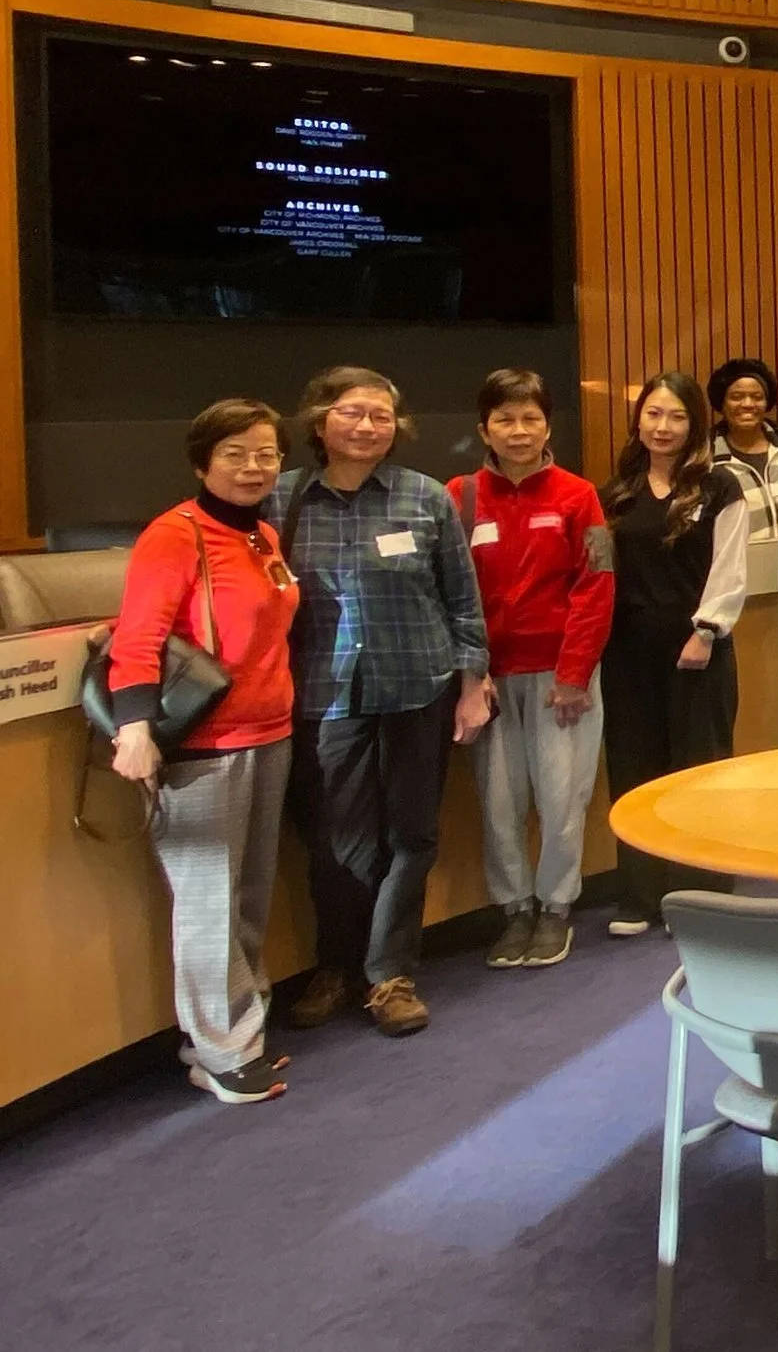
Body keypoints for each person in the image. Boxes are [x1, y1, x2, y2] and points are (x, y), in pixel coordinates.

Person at [270, 367, 491, 1040]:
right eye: (352, 412)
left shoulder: (426, 498)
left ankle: (389, 972)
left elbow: (462, 597)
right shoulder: (282, 501)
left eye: (381, 415)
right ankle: (336, 963)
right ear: (319, 422)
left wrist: (474, 681)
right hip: (324, 694)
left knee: (412, 835)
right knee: (336, 841)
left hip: (417, 687)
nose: (367, 426)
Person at [104, 399, 301, 1103]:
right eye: (236, 454)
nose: (253, 467)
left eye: (266, 454)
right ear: (201, 462)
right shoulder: (175, 534)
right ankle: (218, 1049)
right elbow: (138, 635)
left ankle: (240, 1028)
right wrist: (134, 728)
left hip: (269, 735)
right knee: (207, 902)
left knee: (247, 897)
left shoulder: (260, 535)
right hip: (202, 747)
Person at [446, 369, 616, 969]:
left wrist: (574, 673)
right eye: (504, 420)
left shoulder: (579, 496)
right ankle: (514, 909)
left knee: (563, 798)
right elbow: (450, 592)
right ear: (484, 429)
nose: (518, 432)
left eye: (530, 419)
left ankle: (555, 908)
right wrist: (470, 671)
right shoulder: (459, 497)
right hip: (488, 682)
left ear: (547, 425)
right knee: (499, 802)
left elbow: (596, 587)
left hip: (560, 678)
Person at [599, 372, 749, 936]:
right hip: (627, 649)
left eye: (677, 416)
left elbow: (731, 568)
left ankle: (702, 891)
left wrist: (706, 630)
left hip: (697, 647)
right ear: (639, 420)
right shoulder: (615, 492)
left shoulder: (720, 488)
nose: (663, 427)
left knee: (698, 768)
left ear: (695, 424)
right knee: (635, 768)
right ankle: (639, 895)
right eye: (654, 414)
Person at [706, 357, 778, 574]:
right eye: (737, 397)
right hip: (740, 581)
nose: (748, 404)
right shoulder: (706, 459)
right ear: (722, 403)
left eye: (757, 397)